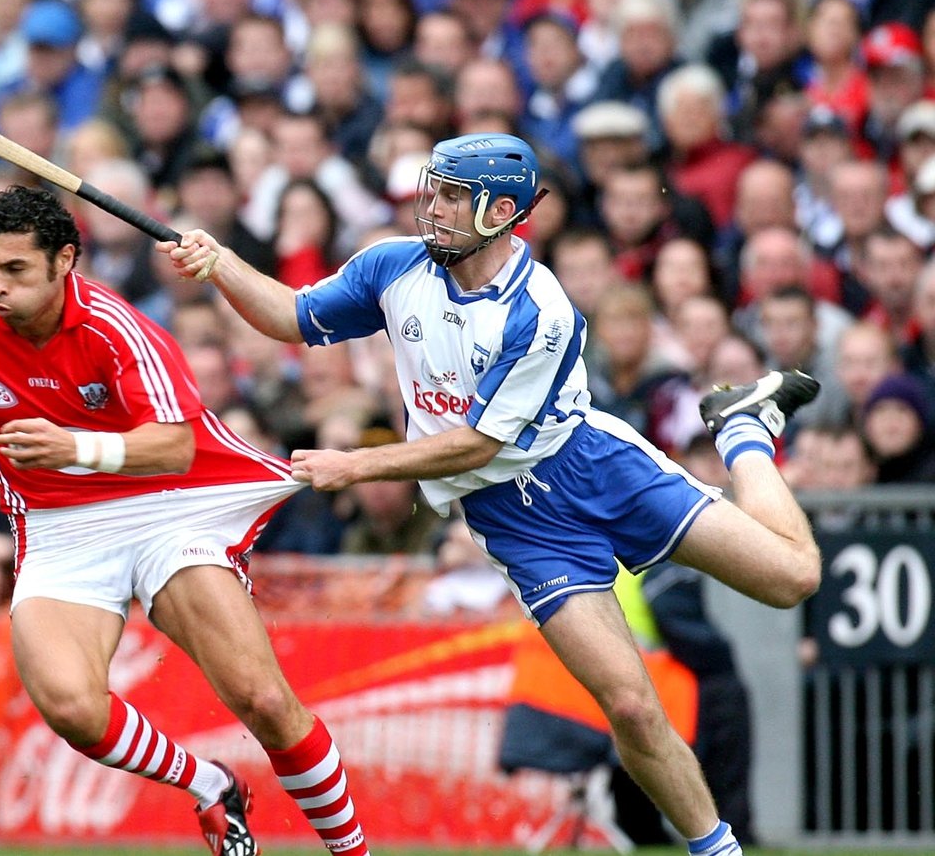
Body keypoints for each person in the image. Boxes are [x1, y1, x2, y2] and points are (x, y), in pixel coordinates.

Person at [164, 132, 823, 856]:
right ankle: (717, 849)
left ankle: (742, 430)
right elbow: (293, 316)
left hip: (595, 467)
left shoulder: (539, 308)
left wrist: (358, 465)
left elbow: (478, 443)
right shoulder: (393, 267)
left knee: (793, 578)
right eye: (435, 190)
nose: (434, 208)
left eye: (452, 196)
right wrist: (220, 264)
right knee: (630, 704)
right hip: (517, 522)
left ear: (501, 210)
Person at [0, 185, 370, 856]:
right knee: (72, 708)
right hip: (60, 526)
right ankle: (210, 784)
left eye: (16, 270)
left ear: (65, 261)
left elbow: (172, 444)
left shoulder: (116, 325)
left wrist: (77, 447)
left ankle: (353, 852)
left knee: (262, 699)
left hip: (166, 508)